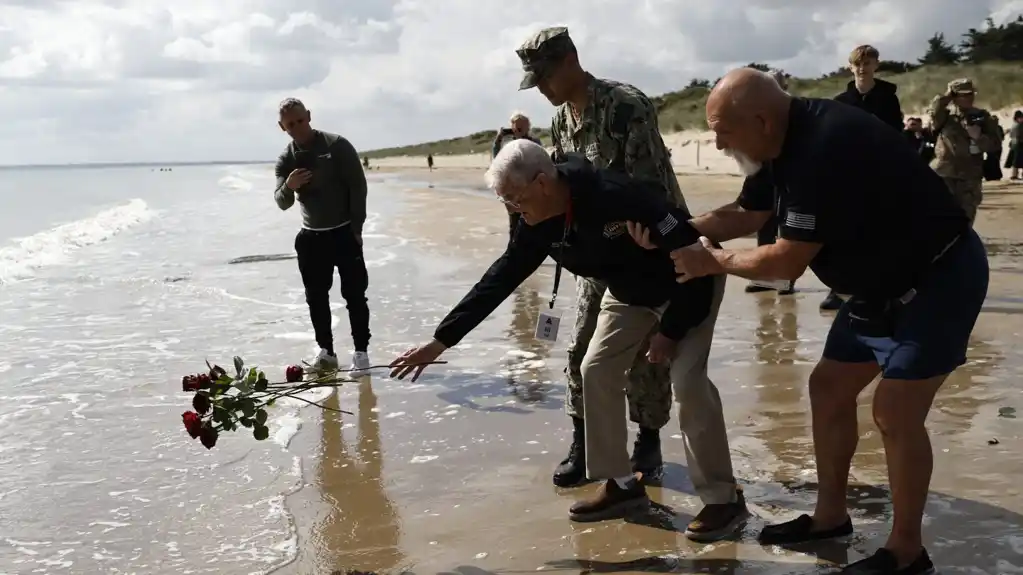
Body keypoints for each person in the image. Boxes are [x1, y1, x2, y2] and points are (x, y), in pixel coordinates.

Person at [631, 68, 986, 574]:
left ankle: (907, 551)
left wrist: (712, 261)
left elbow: (784, 262)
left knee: (895, 410)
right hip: (876, 288)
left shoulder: (822, 148)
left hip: (937, 280)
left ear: (760, 119)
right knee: (828, 389)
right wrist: (680, 231)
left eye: (722, 131)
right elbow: (747, 215)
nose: (716, 141)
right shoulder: (778, 141)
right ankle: (830, 516)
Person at [389, 139, 746, 540]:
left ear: (542, 182)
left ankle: (723, 500)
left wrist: (669, 332)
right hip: (629, 295)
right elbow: (501, 277)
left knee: (688, 381)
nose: (512, 209)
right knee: (595, 369)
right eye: (505, 201)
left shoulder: (617, 196)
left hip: (687, 284)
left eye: (515, 198)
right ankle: (622, 486)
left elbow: (691, 251)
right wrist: (440, 341)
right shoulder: (537, 221)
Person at [515, 26, 683, 487]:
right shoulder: (561, 121)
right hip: (596, 249)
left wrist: (646, 241)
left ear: (571, 60)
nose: (543, 89)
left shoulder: (624, 106)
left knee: (648, 353)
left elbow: (650, 187)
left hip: (648, 246)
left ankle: (647, 439)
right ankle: (583, 441)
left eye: (546, 77)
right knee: (581, 348)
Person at [274, 98, 373, 375]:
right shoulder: (286, 159)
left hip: (343, 232)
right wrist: (290, 186)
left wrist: (357, 228)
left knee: (355, 295)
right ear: (282, 127)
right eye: (290, 124)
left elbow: (358, 187)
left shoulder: (336, 145)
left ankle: (361, 353)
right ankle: (326, 352)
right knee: (316, 298)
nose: (296, 127)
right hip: (311, 239)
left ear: (309, 116)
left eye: (300, 120)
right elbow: (282, 202)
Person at [817, 44, 905, 311]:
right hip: (848, 173)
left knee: (881, 230)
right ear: (850, 66)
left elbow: (896, 135)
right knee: (843, 230)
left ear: (876, 65)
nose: (862, 68)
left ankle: (883, 286)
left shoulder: (888, 98)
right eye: (858, 64)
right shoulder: (841, 102)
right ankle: (839, 288)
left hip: (880, 172)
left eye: (867, 63)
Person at [745, 68, 795, 296]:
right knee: (763, 225)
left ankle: (786, 279)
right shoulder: (753, 111)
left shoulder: (792, 110)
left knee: (786, 228)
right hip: (762, 174)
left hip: (787, 175)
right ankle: (765, 278)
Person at [928, 78, 1001, 225]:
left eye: (971, 94)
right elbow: (934, 111)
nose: (969, 98)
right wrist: (947, 95)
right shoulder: (945, 116)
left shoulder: (983, 116)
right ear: (954, 97)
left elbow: (995, 145)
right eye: (963, 95)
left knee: (966, 220)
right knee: (940, 218)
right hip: (944, 173)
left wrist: (979, 137)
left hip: (970, 176)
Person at [494, 112, 544, 236]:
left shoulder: (534, 142)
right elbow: (497, 161)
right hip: (513, 191)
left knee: (532, 223)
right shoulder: (508, 145)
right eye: (516, 127)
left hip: (530, 188)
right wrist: (498, 139)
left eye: (522, 127)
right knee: (515, 225)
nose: (518, 130)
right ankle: (514, 248)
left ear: (528, 127)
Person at [1007, 110, 1023, 181]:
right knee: (1017, 160)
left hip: (1015, 144)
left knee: (1016, 160)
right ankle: (1014, 175)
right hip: (1019, 144)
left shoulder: (1014, 125)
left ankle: (1014, 174)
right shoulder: (1018, 125)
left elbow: (1011, 135)